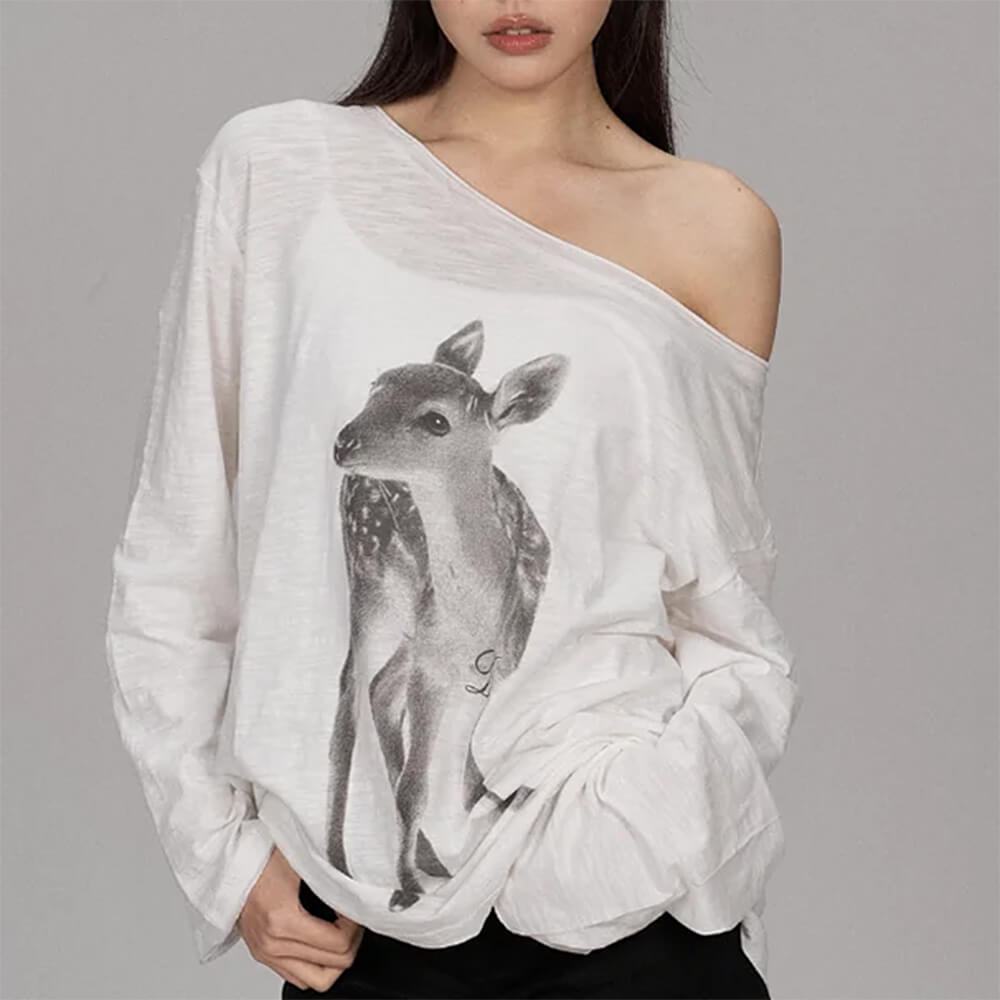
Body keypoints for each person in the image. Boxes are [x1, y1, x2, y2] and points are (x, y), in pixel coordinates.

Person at [104, 1, 804, 997]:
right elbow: (175, 556)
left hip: (627, 903)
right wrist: (223, 856)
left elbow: (723, 606)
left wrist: (652, 825)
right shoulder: (282, 171)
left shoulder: (714, 226)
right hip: (362, 928)